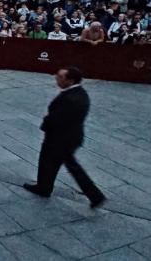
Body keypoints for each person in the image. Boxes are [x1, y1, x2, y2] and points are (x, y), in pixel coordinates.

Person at [23, 67, 106, 208]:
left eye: (60, 77)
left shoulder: (70, 98)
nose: (56, 79)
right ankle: (45, 187)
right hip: (70, 137)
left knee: (52, 162)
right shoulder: (78, 93)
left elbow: (57, 119)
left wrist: (46, 124)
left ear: (70, 80)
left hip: (60, 139)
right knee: (60, 164)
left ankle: (95, 196)